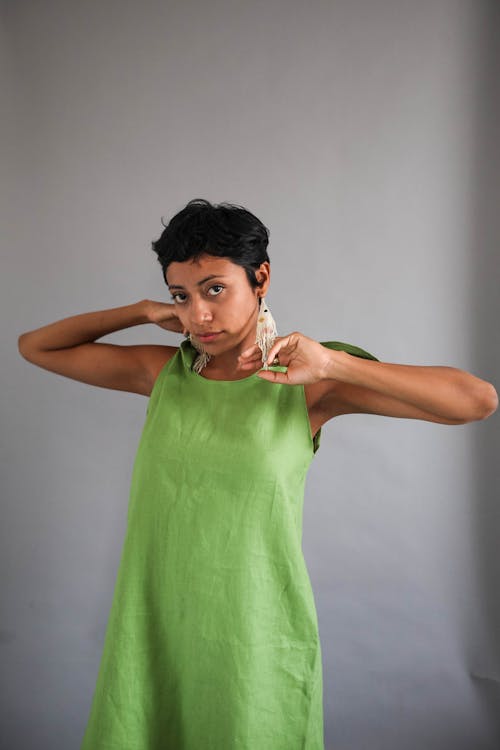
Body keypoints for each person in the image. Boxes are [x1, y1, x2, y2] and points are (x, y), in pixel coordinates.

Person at [18, 198, 498, 750]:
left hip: (256, 638)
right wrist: (144, 311)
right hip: (154, 631)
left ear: (260, 278)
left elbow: (476, 400)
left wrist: (334, 364)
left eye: (214, 289)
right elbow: (36, 346)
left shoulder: (309, 382)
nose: (198, 315)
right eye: (183, 295)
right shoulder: (162, 374)